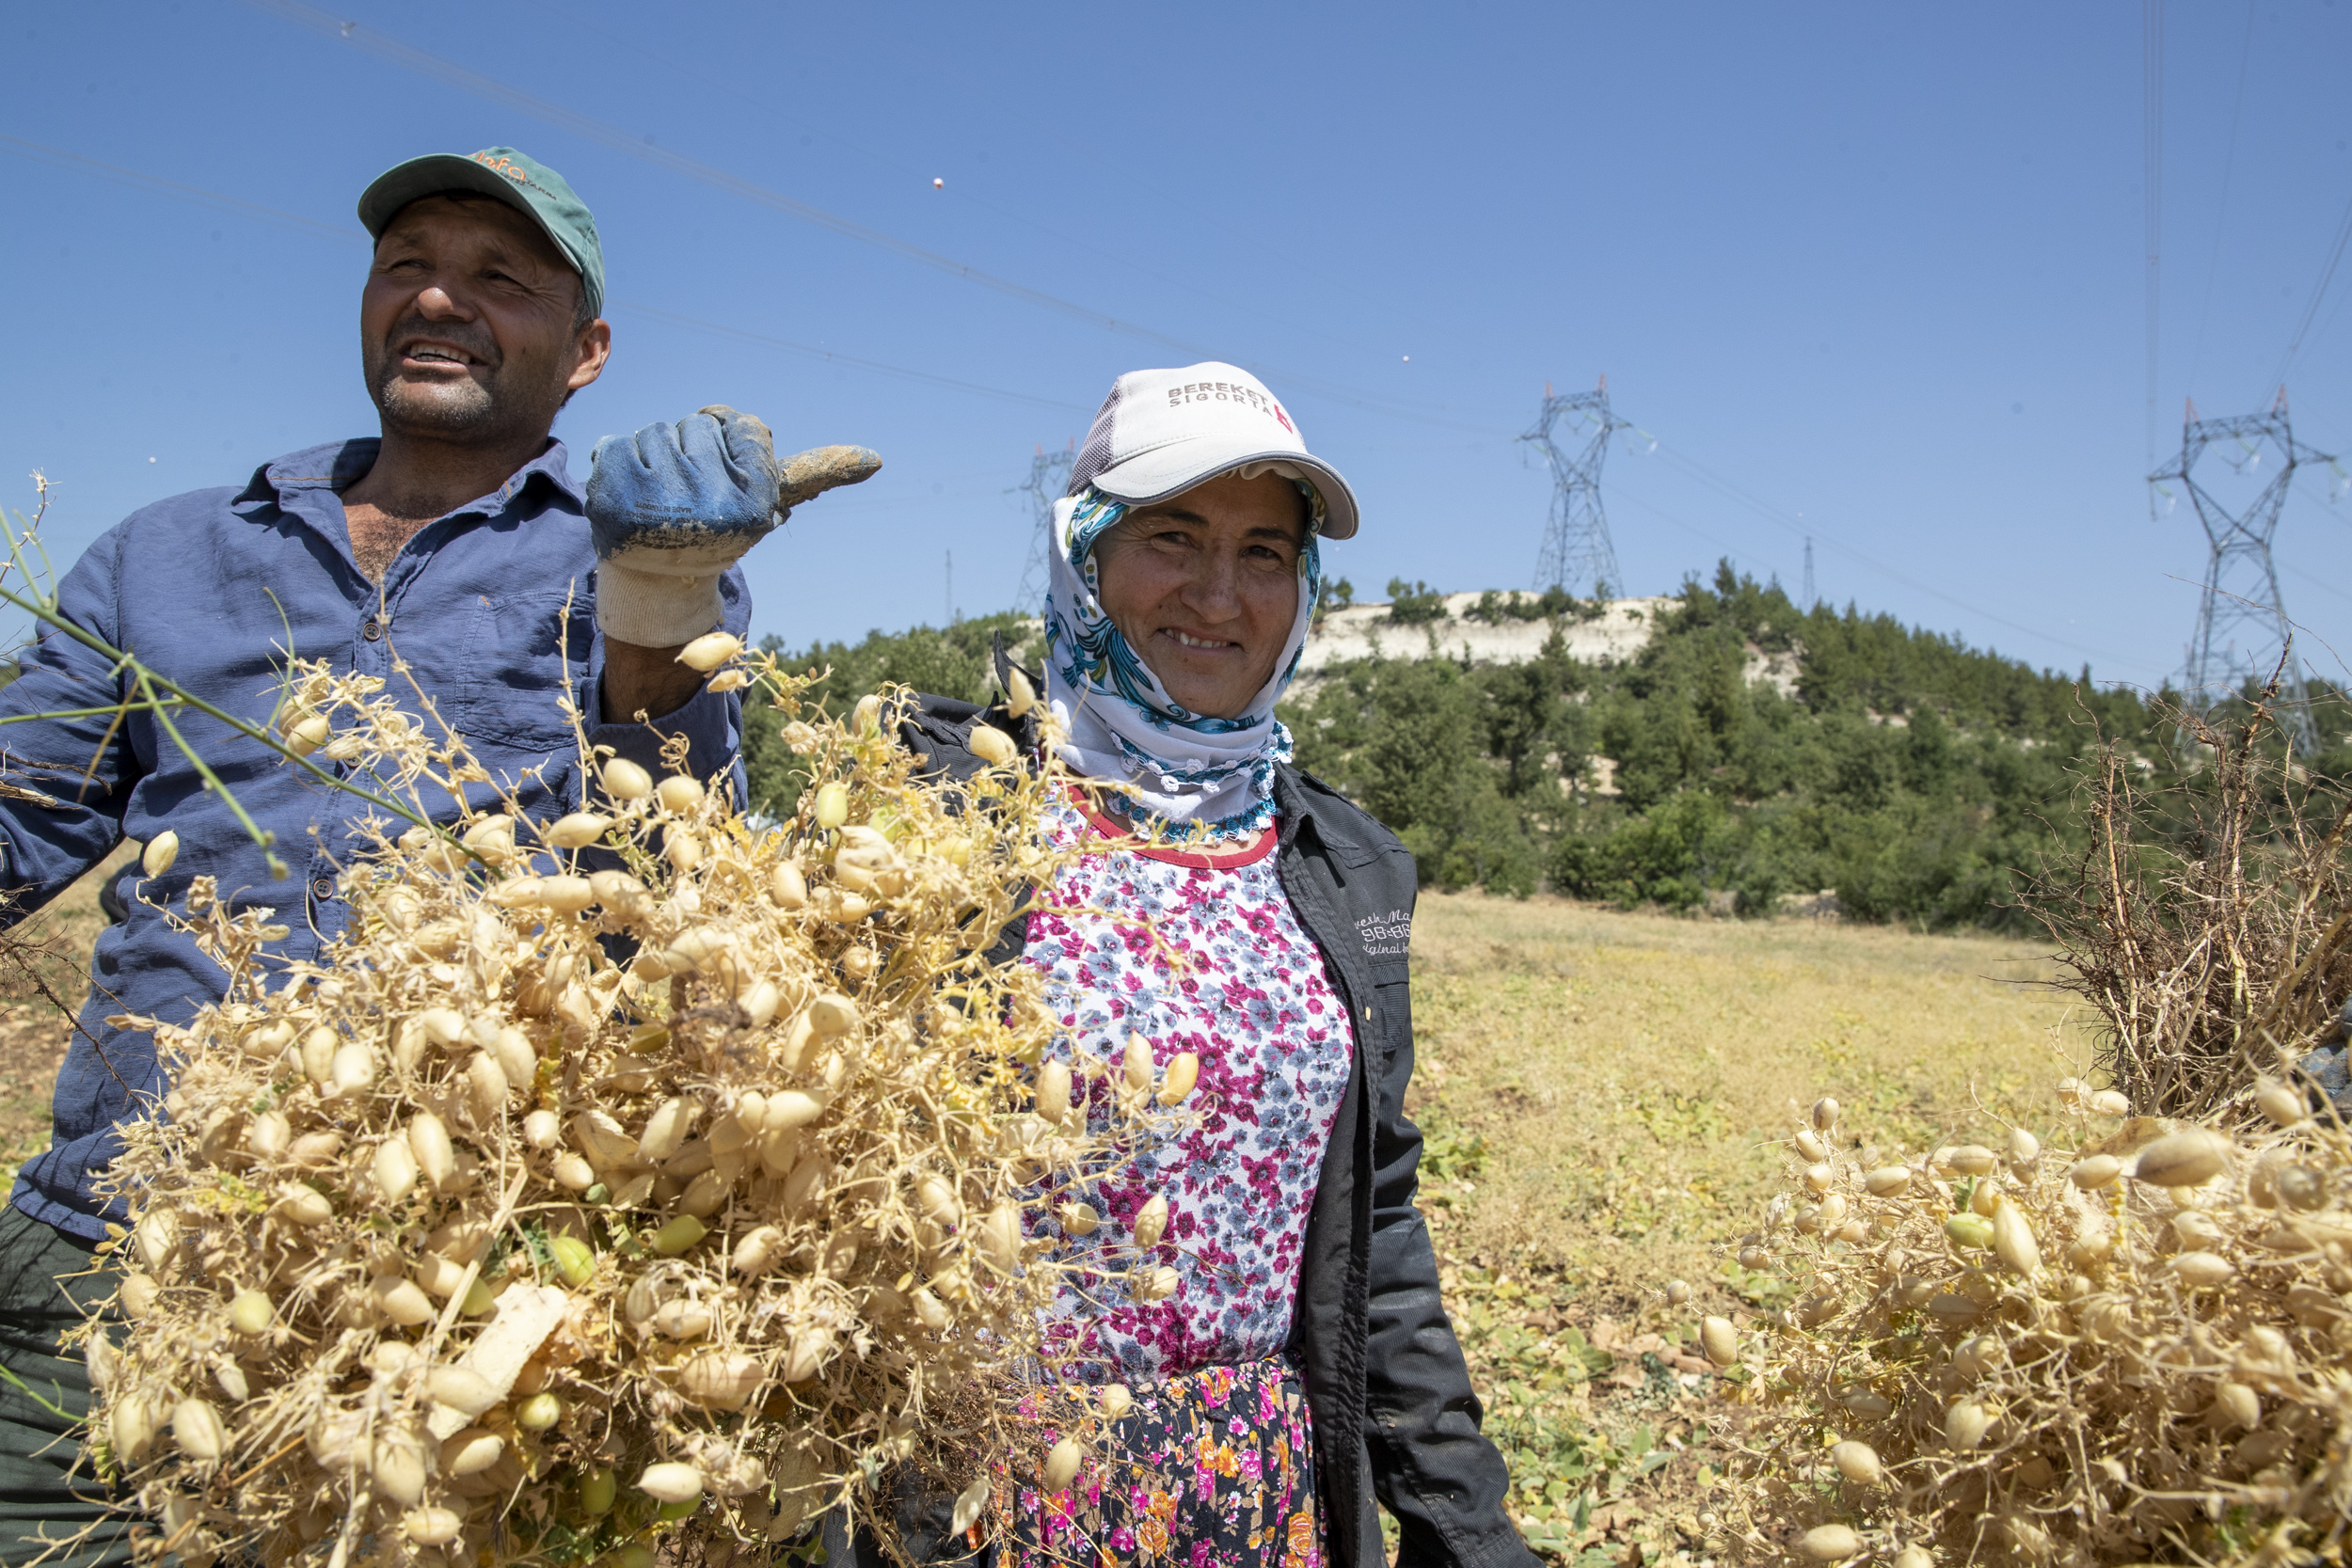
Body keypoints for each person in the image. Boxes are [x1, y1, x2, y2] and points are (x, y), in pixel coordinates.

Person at [0, 146, 861, 1566]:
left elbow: (680, 847)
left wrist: (657, 585)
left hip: (448, 1282)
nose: (439, 297)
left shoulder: (630, 557)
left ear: (585, 353)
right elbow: (22, 817)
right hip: (111, 1240)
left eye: (498, 277)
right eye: (408, 264)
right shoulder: (162, 554)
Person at [862, 364, 1535, 1568]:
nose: (1219, 593)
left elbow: (1374, 1226)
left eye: (1264, 551)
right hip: (985, 1495)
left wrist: (1465, 1533)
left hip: (1258, 1495)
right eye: (1172, 536)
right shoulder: (941, 818)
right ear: (1085, 555)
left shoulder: (1341, 863)